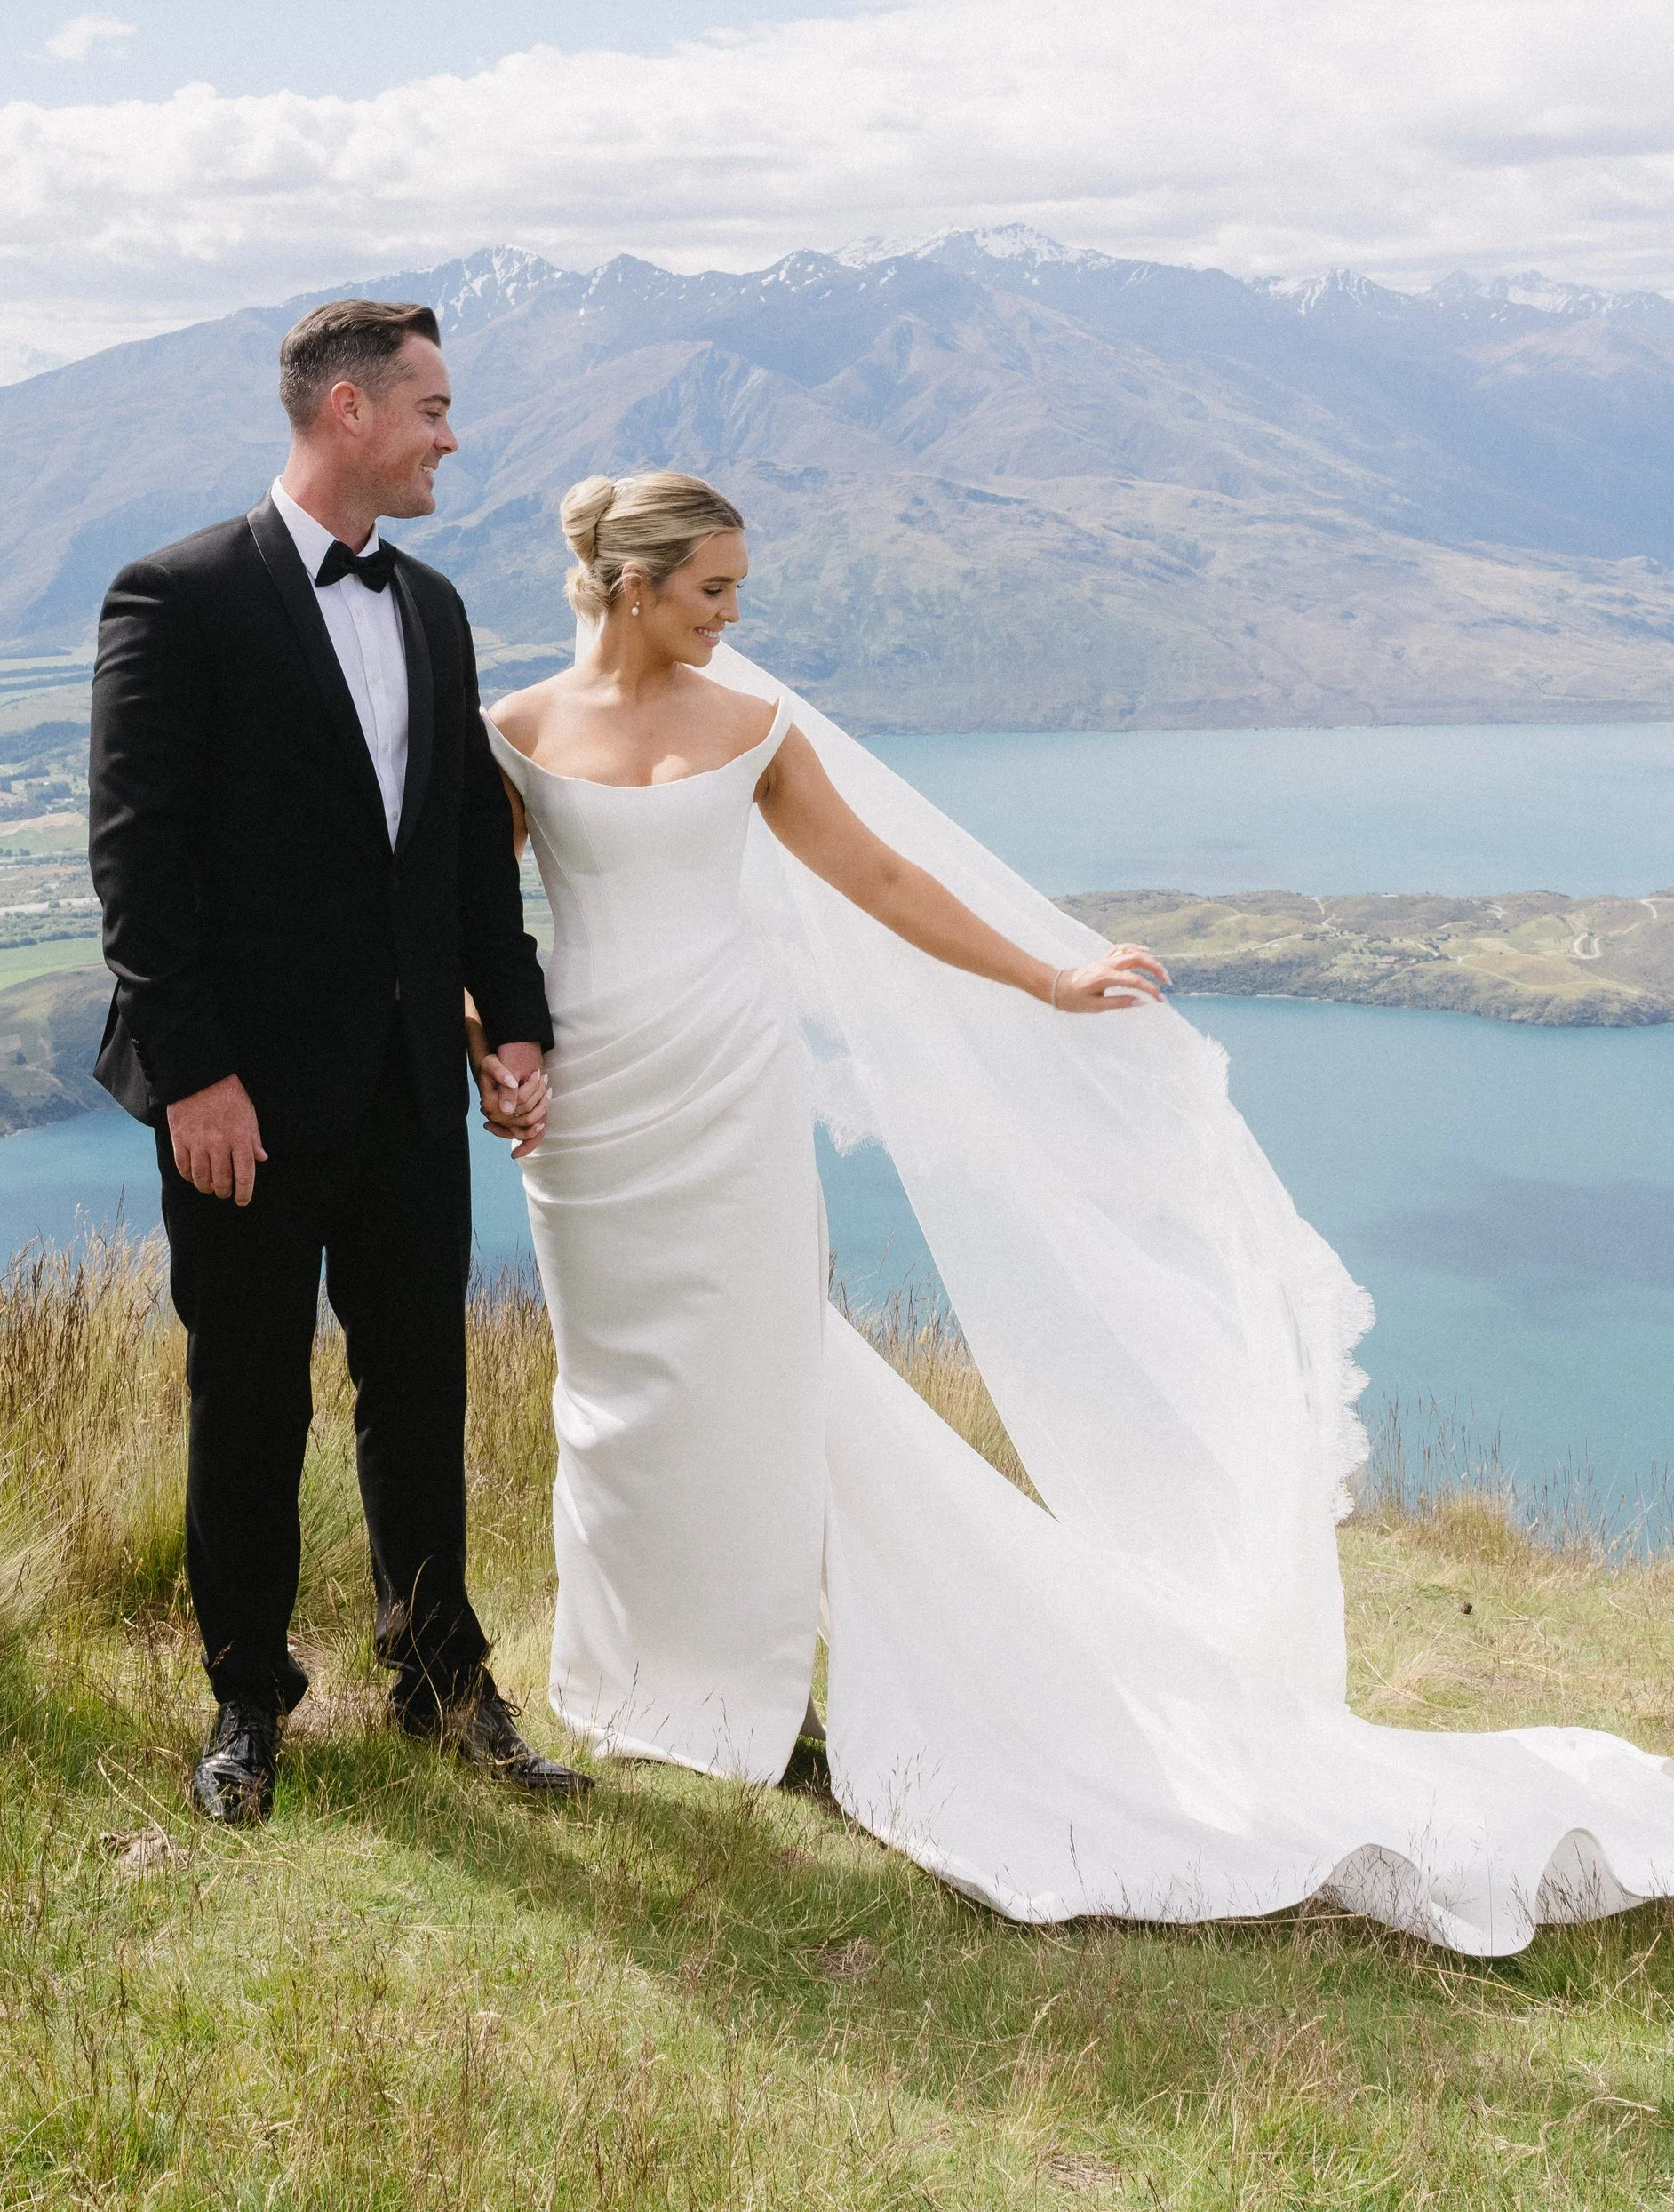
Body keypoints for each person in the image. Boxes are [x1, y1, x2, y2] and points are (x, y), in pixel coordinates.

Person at [484, 469, 1674, 1954]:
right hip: (594, 1102)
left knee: (750, 1379)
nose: (736, 616)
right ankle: (631, 1682)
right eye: (715, 589)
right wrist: (494, 1044)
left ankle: (745, 1693)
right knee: (614, 1392)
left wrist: (1047, 975)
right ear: (636, 585)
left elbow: (880, 875)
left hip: (728, 1083)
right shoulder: (518, 732)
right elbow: (474, 919)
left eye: (739, 588)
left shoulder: (754, 727)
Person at [87, 297, 589, 1824]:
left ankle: (440, 1675)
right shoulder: (171, 598)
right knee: (249, 1395)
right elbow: (138, 861)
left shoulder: (433, 607)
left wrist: (511, 1027)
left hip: (399, 1089)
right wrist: (195, 1077)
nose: (453, 434)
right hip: (237, 1097)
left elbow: (459, 859)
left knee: (419, 1384)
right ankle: (248, 1701)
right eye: (434, 406)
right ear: (350, 412)